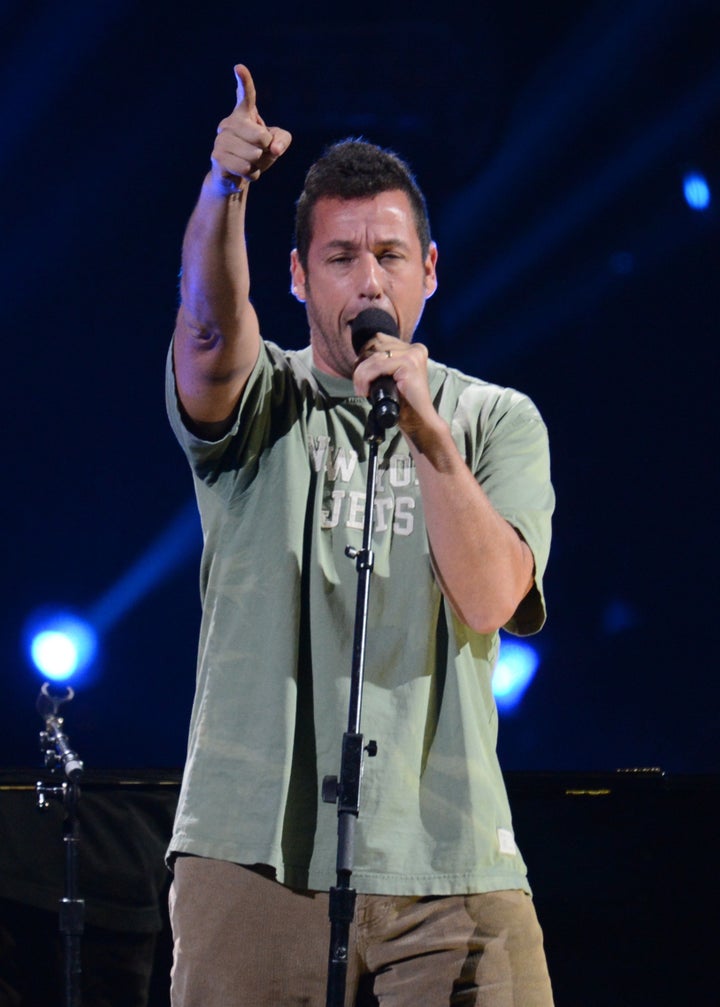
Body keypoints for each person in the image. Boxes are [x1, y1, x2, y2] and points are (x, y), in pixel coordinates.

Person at [165, 63, 555, 1007]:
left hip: (451, 857)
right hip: (254, 856)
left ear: (429, 269)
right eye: (340, 257)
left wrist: (427, 432)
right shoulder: (265, 402)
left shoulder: (495, 420)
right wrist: (227, 191)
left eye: (388, 254)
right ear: (297, 276)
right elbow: (211, 332)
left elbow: (490, 596)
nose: (366, 277)